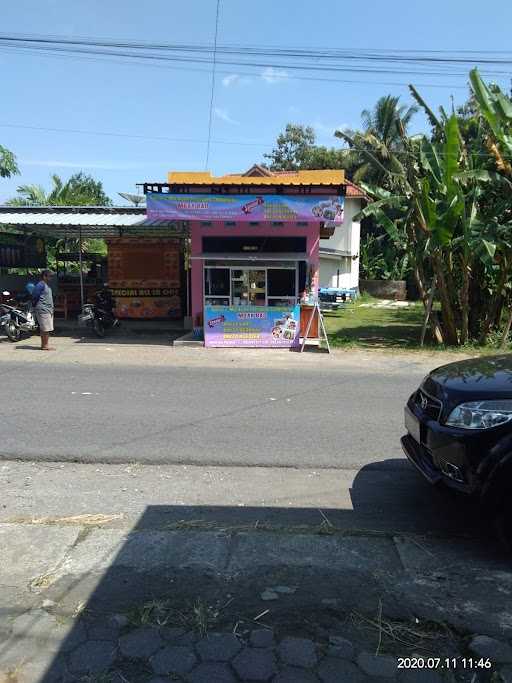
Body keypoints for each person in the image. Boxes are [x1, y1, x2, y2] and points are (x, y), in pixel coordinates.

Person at [32, 269, 55, 350]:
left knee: (45, 329)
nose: (51, 278)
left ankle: (44, 345)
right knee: (46, 329)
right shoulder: (40, 285)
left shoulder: (45, 285)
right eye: (50, 276)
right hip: (43, 309)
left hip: (47, 309)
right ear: (44, 276)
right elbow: (35, 296)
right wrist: (36, 306)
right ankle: (45, 346)